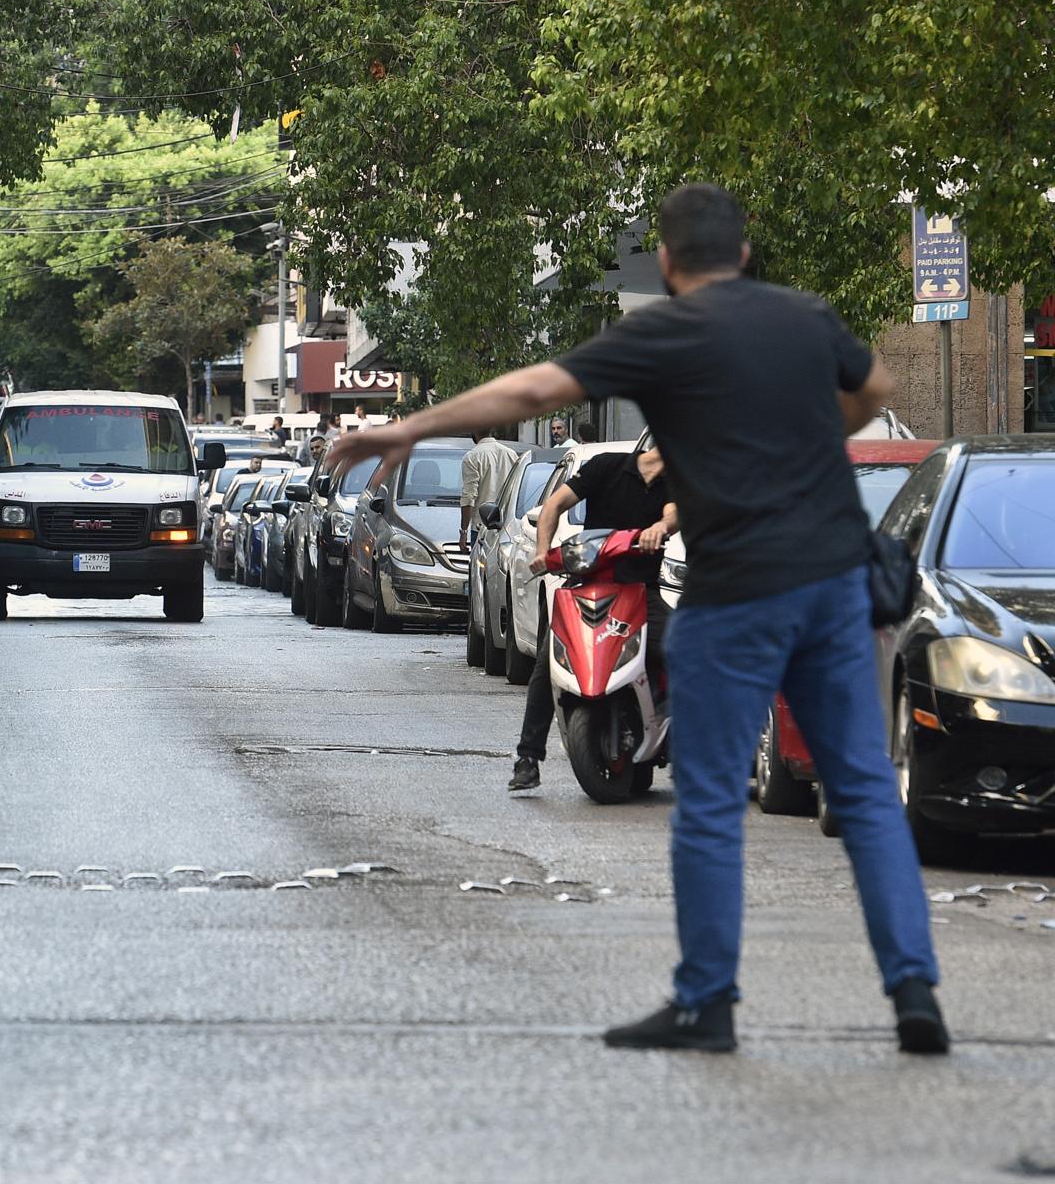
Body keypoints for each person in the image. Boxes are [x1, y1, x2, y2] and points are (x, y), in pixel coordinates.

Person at [331, 182, 945, 1056]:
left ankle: (708, 1002)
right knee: (862, 788)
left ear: (665, 262)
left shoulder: (664, 332)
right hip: (835, 583)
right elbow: (870, 388)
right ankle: (914, 990)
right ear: (744, 250)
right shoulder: (805, 318)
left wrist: (410, 429)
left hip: (736, 592)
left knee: (706, 800)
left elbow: (532, 390)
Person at [508, 443, 676, 793]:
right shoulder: (605, 467)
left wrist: (659, 528)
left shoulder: (677, 481)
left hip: (642, 589)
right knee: (547, 665)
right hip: (591, 585)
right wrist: (542, 551)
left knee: (679, 648)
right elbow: (554, 505)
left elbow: (675, 514)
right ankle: (527, 758)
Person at [458, 430, 519, 548]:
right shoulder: (511, 454)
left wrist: (464, 531)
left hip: (482, 528)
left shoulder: (472, 457)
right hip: (507, 526)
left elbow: (469, 497)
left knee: (479, 565)